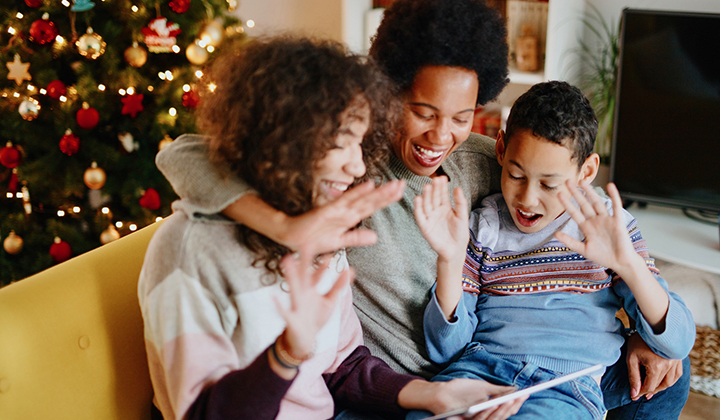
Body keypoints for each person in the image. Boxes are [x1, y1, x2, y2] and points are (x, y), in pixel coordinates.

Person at [154, 1, 691, 418]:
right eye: (423, 111)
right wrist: (289, 228)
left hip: (485, 372)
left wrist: (648, 319)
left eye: (462, 116)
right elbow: (184, 153)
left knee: (670, 370)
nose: (442, 136)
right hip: (406, 382)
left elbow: (552, 176)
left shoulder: (488, 163)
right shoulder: (346, 174)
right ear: (387, 93)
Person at [138, 36, 525, 420]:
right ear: (281, 139)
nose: (357, 168)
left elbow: (343, 366)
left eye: (359, 145)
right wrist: (285, 355)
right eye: (341, 143)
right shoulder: (189, 251)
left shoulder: (322, 223)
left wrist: (435, 395)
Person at [408, 81, 695, 420]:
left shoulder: (609, 226)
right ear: (500, 148)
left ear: (586, 172)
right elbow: (445, 350)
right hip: (480, 372)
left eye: (549, 184)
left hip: (565, 388)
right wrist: (450, 263)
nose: (527, 199)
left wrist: (629, 266)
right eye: (516, 175)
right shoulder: (483, 226)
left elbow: (676, 342)